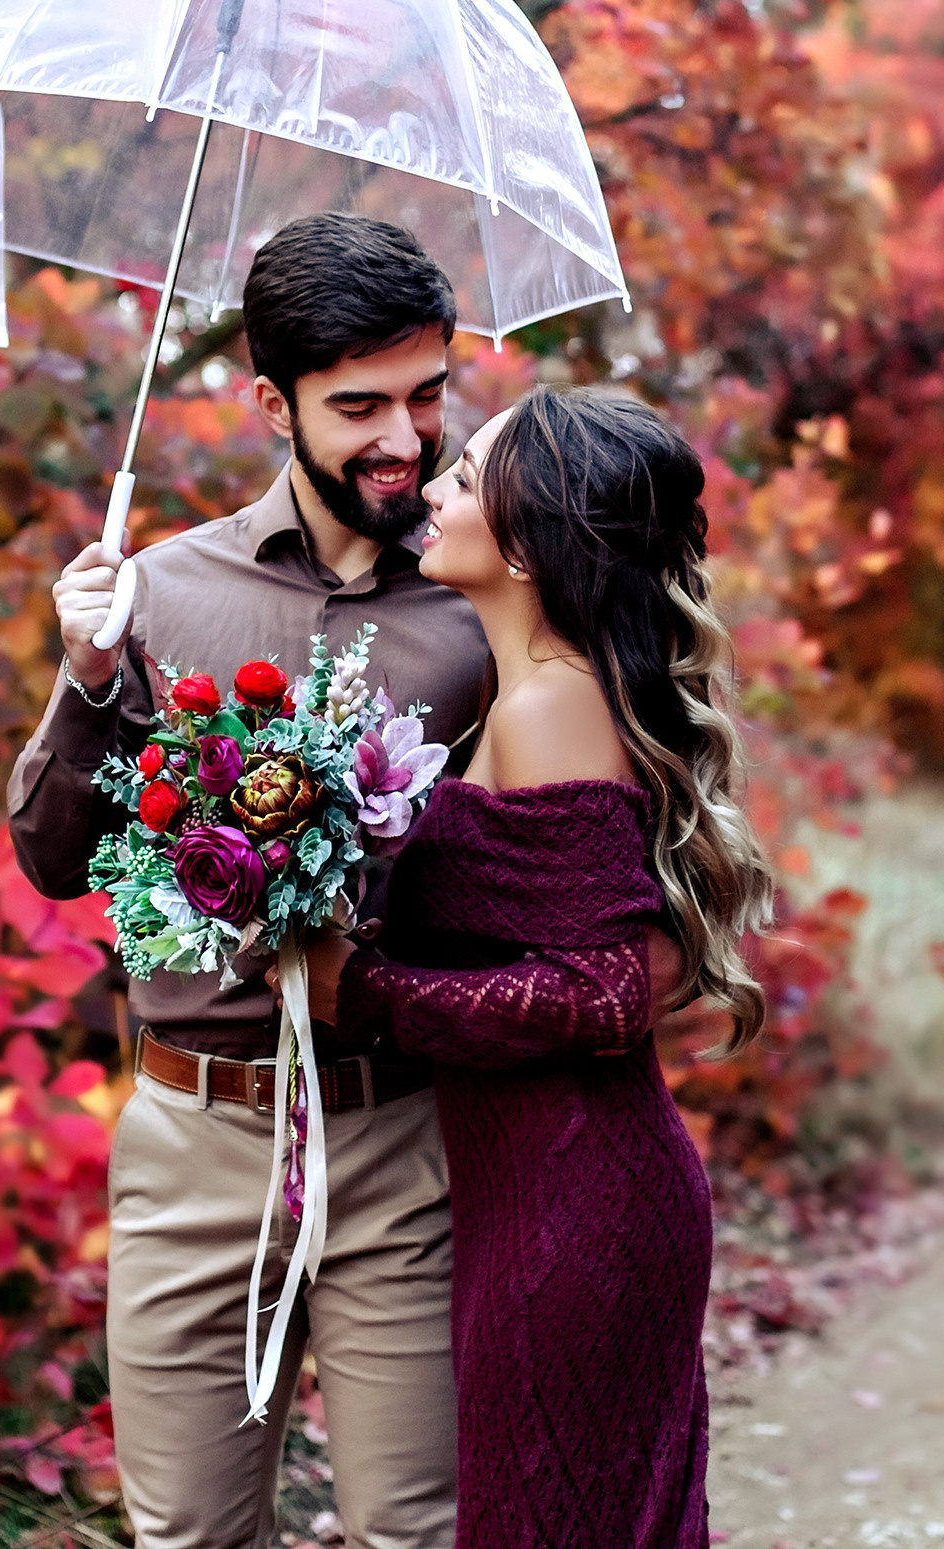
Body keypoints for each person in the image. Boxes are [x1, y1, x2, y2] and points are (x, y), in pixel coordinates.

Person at [6, 213, 487, 1549]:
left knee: (421, 1529)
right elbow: (50, 861)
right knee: (193, 1538)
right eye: (360, 406)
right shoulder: (157, 592)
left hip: (403, 1131)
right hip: (196, 1137)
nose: (405, 437)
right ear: (272, 403)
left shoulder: (479, 599)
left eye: (429, 395)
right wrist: (90, 678)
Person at [306, 385, 773, 1549]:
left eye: (464, 476)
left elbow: (604, 992)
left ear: (523, 544)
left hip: (577, 1205)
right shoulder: (529, 695)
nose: (435, 485)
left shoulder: (553, 705)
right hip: (540, 1191)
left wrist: (364, 993)